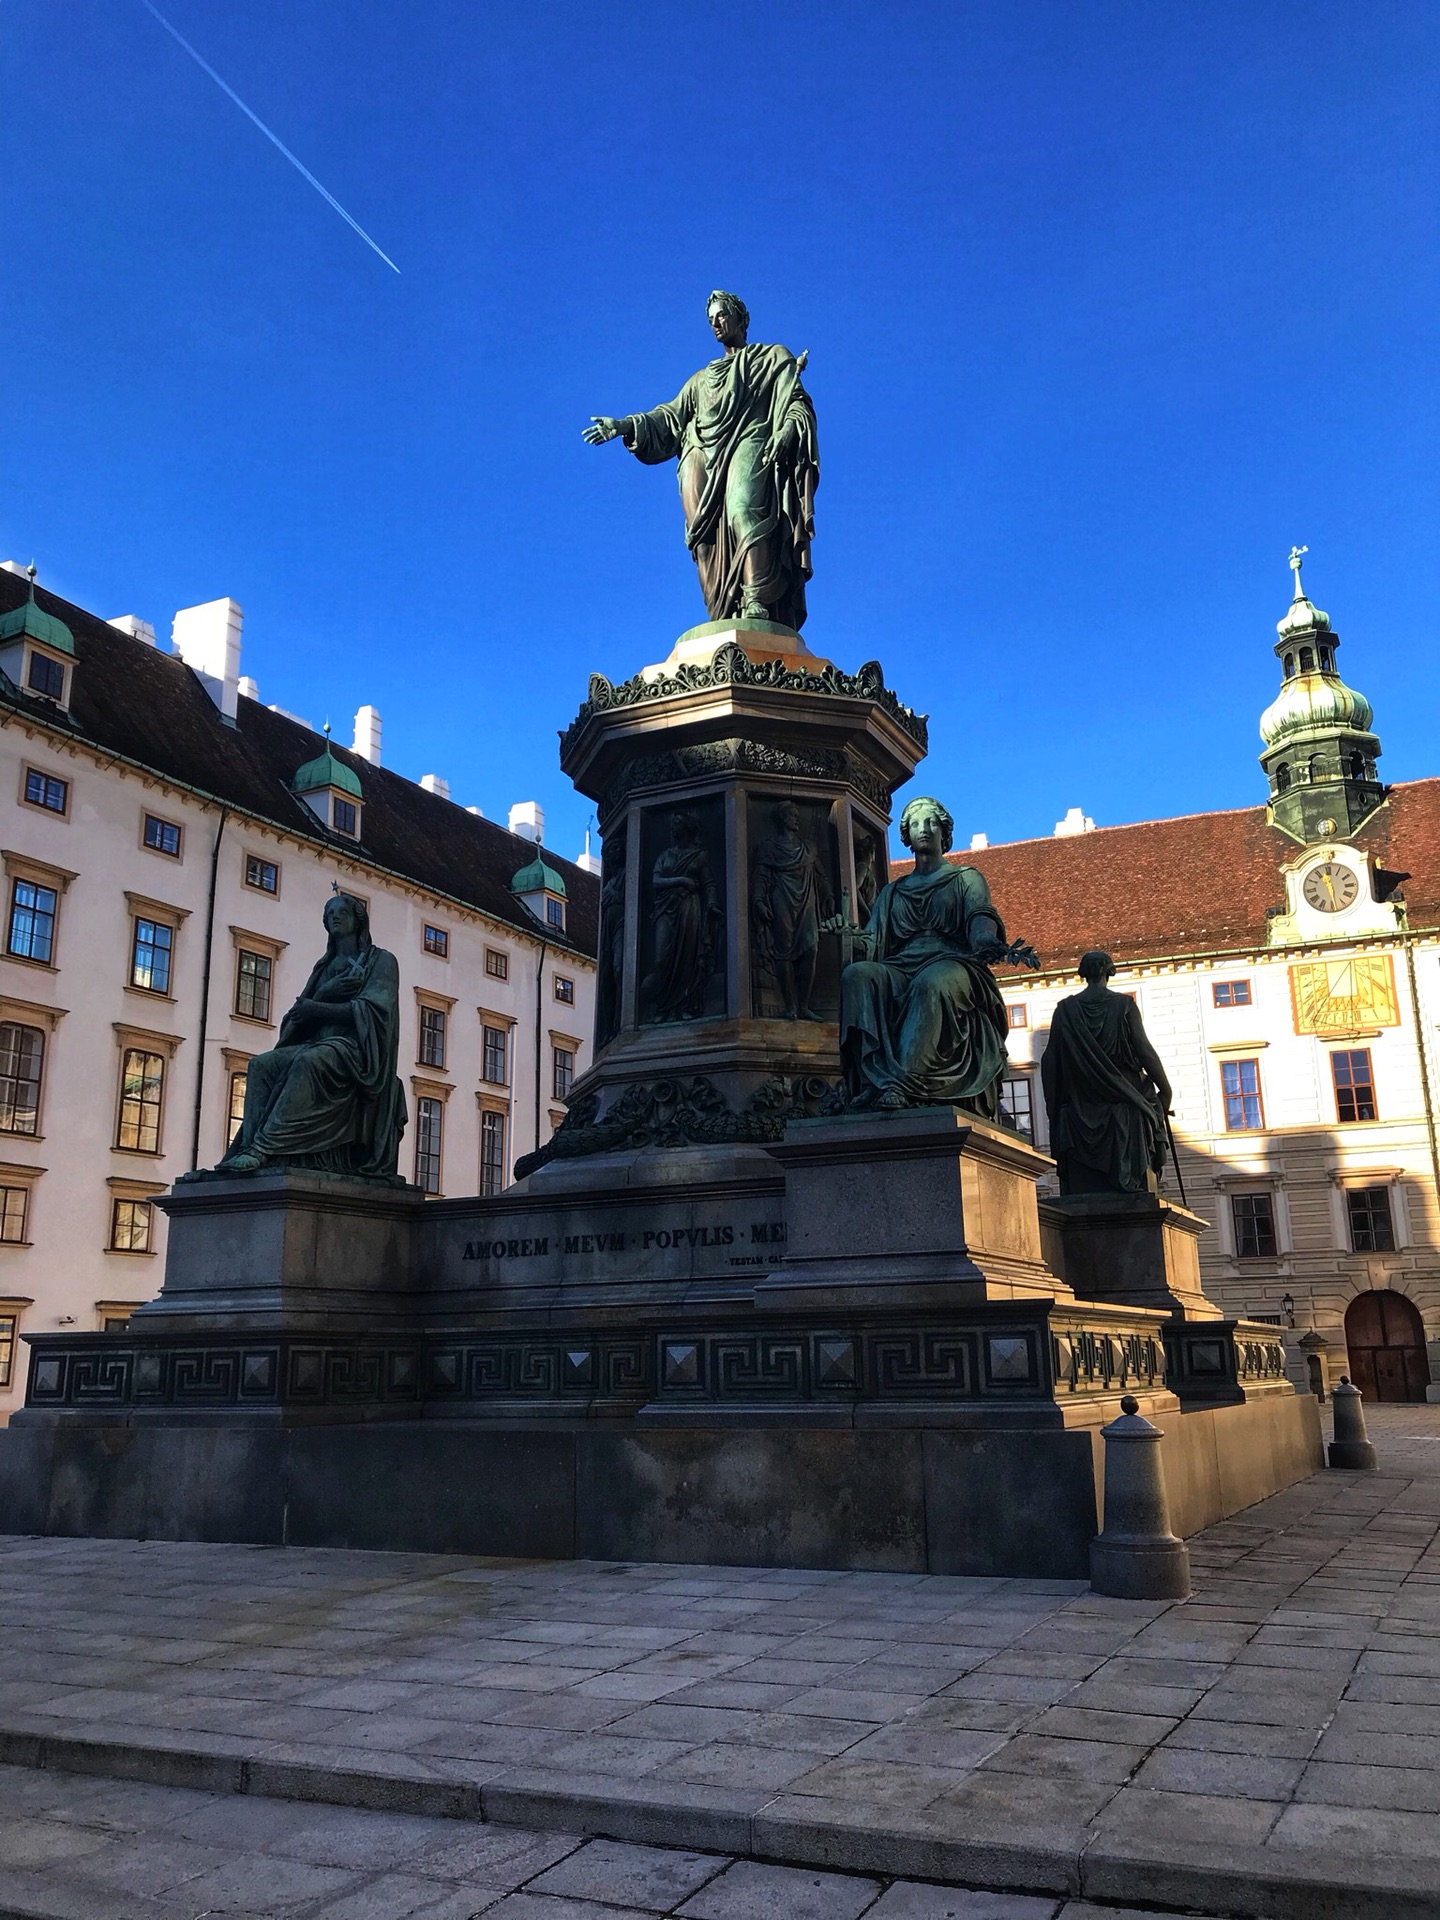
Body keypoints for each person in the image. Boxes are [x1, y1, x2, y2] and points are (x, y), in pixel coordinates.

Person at [584, 291, 818, 630]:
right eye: (711, 320)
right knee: (702, 539)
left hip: (751, 440)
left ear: (741, 318)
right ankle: (722, 612)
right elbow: (668, 417)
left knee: (743, 509)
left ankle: (755, 598)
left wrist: (787, 431)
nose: (716, 323)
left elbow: (796, 401)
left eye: (722, 315)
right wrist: (624, 425)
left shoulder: (771, 358)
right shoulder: (700, 381)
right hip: (701, 455)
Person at [832, 797, 1037, 1112]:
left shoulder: (966, 878)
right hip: (900, 966)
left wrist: (984, 938)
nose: (923, 829)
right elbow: (870, 942)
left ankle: (902, 1083)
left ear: (944, 831)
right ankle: (871, 1080)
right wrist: (845, 934)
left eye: (931, 822)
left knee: (931, 983)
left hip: (953, 962)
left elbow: (980, 917)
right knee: (856, 975)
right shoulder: (892, 892)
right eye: (915, 824)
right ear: (907, 836)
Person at [219, 893, 406, 1178]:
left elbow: (373, 1012)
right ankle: (246, 1149)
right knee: (260, 1065)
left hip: (356, 1050)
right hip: (317, 1043)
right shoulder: (324, 968)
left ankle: (262, 1149)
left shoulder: (381, 961)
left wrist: (317, 1006)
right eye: (330, 913)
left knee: (309, 1062)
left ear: (358, 920)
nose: (335, 916)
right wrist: (324, 994)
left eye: (342, 911)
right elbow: (298, 1016)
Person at [1041, 951, 1173, 1195]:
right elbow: (1144, 1051)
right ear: (1109, 971)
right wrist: (1165, 1089)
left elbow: (1050, 1060)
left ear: (1082, 973)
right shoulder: (1124, 1005)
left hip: (1081, 1098)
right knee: (1146, 1103)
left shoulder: (1065, 1010)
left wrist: (1054, 1105)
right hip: (1123, 1091)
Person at [751, 800, 833, 1019]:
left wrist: (829, 895)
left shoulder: (808, 848)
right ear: (782, 818)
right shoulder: (770, 847)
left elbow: (821, 875)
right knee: (783, 952)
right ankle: (790, 1006)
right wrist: (758, 900)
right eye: (792, 815)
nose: (797, 819)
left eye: (798, 815)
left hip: (807, 900)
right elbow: (760, 877)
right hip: (782, 898)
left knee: (811, 949)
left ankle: (804, 1005)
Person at [640, 811, 722, 1023]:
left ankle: (686, 1005)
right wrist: (682, 880)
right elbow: (656, 882)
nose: (673, 827)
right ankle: (663, 1006)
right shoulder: (665, 856)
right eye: (673, 823)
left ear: (687, 828)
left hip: (689, 907)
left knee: (689, 957)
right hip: (665, 909)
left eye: (677, 823)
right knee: (661, 959)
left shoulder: (700, 856)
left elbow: (709, 884)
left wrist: (712, 904)